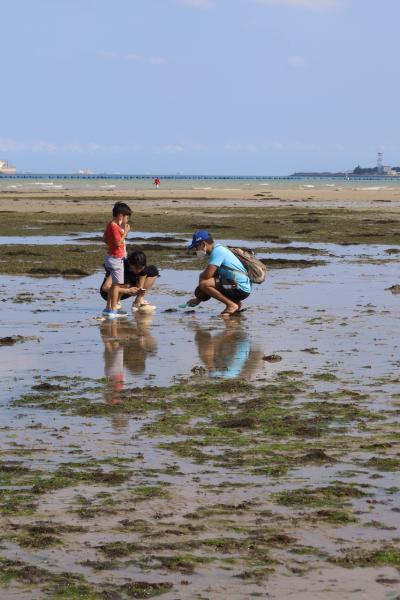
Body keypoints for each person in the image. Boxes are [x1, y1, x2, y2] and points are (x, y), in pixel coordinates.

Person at [186, 230, 252, 317]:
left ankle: (231, 305)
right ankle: (236, 304)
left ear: (203, 244)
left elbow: (207, 276)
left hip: (239, 288)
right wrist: (198, 299)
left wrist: (201, 276)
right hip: (240, 287)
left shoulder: (217, 252)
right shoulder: (220, 249)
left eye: (196, 247)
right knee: (208, 284)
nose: (196, 250)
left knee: (204, 283)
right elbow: (214, 278)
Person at [102, 202, 132, 318]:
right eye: (126, 217)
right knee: (116, 286)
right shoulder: (114, 226)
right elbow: (118, 243)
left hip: (111, 257)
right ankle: (113, 309)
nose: (127, 220)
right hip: (116, 259)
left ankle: (108, 308)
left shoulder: (111, 224)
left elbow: (104, 238)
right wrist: (126, 233)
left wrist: (111, 245)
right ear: (121, 215)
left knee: (115, 285)